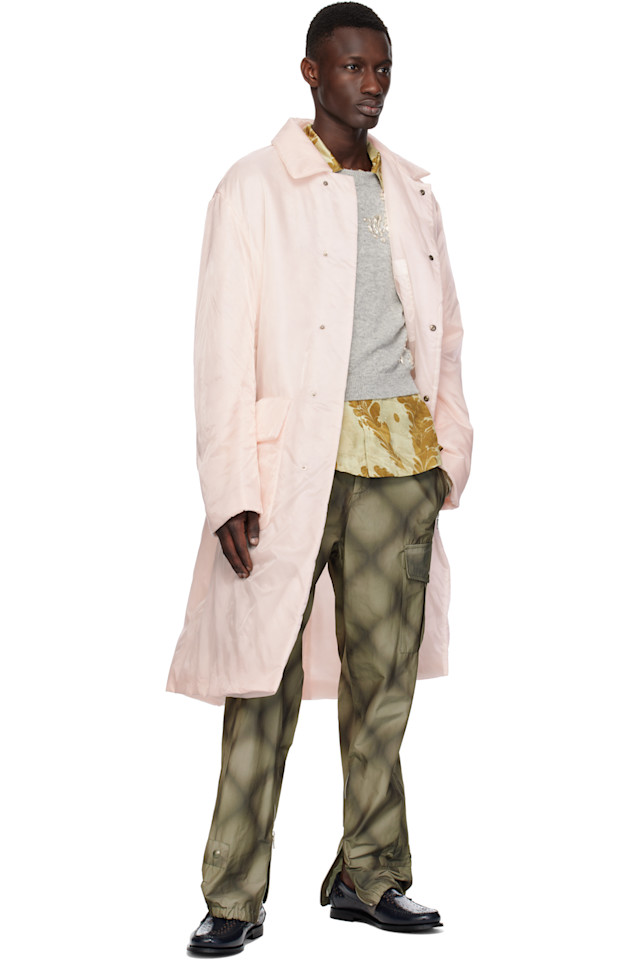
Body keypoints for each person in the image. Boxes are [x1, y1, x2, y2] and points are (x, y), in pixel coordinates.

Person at [166, 2, 473, 954]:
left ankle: (369, 874)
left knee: (384, 685)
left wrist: (447, 456)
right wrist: (230, 488)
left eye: (381, 68)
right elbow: (220, 345)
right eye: (351, 67)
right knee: (262, 682)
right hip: (287, 467)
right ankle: (232, 896)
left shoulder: (410, 188)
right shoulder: (253, 187)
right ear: (311, 72)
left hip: (400, 461)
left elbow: (444, 332)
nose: (370, 84)